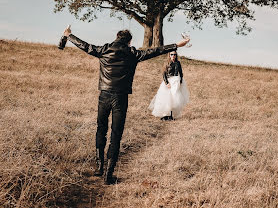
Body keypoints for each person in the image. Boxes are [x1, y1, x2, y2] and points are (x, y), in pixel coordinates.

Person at [62, 26, 190, 184]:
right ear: (129, 41)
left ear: (116, 37)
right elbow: (155, 51)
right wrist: (176, 45)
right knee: (116, 133)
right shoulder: (132, 53)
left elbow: (85, 46)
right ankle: (108, 174)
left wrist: (69, 35)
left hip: (104, 95)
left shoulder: (104, 49)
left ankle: (99, 167)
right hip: (121, 98)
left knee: (101, 128)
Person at [149, 50, 189, 120]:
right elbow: (164, 74)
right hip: (169, 81)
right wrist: (166, 83)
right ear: (169, 55)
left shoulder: (178, 63)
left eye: (174, 55)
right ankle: (165, 115)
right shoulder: (167, 63)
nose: (173, 56)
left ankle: (170, 115)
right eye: (171, 54)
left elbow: (181, 73)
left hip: (176, 82)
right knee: (166, 98)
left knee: (173, 99)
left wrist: (180, 81)